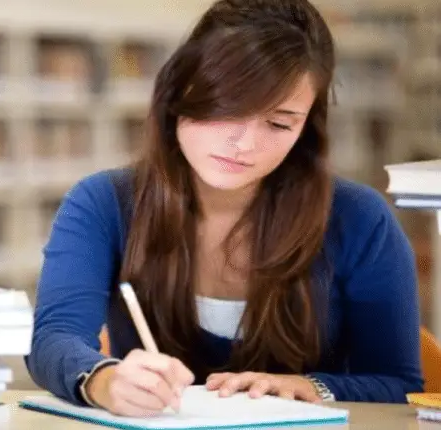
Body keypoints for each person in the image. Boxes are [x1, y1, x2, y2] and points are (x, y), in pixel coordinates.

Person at [23, 0, 424, 417]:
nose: (245, 144)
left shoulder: (358, 218)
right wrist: (103, 381)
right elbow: (53, 339)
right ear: (180, 93)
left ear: (306, 128)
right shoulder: (104, 202)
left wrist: (311, 387)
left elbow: (398, 383)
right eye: (229, 108)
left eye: (279, 123)